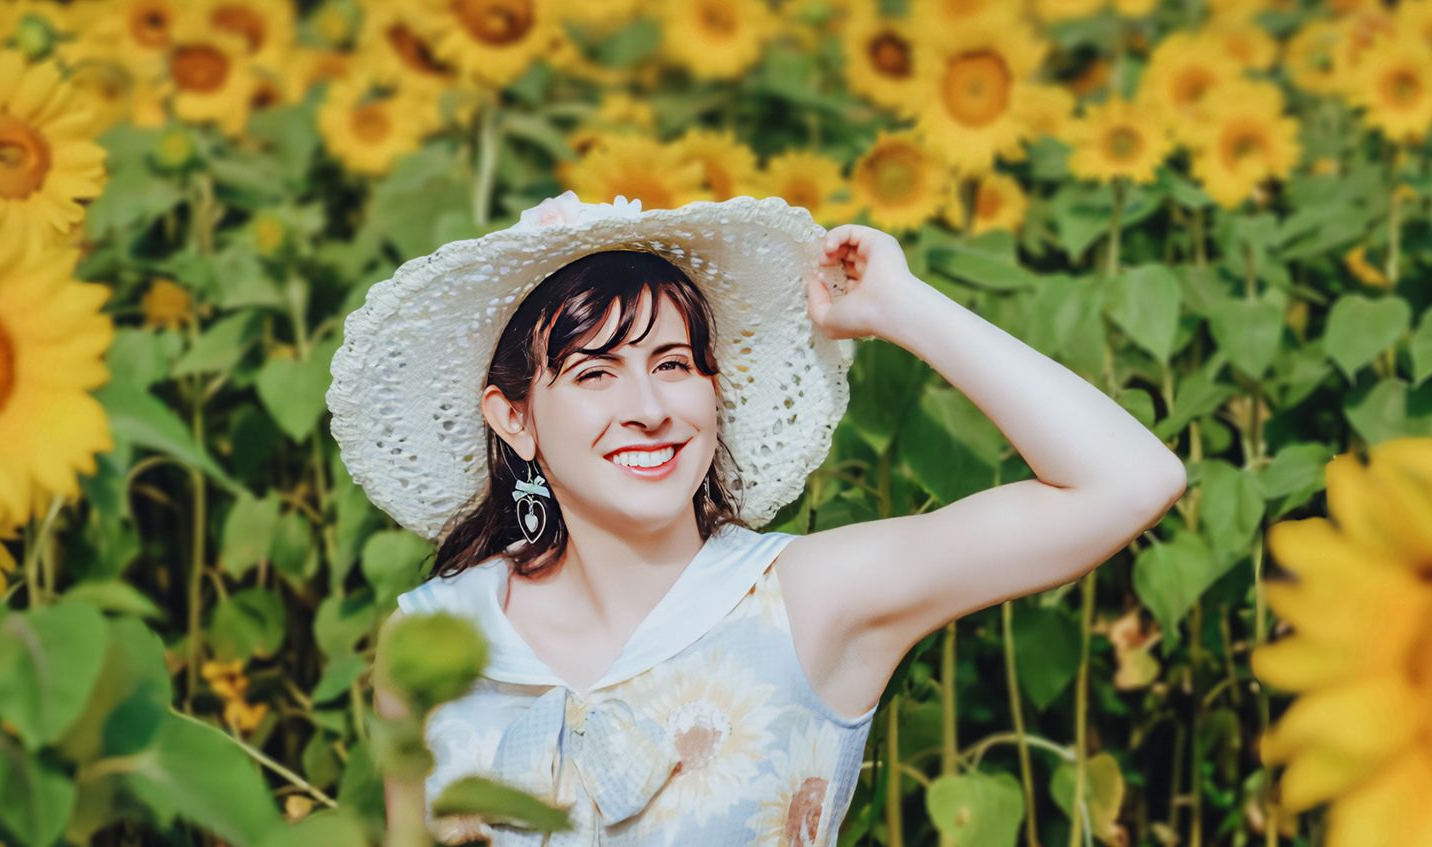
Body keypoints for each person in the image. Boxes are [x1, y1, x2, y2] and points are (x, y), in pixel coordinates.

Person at [327, 192, 1187, 845]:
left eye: (675, 363)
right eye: (594, 374)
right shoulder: (436, 639)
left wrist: (902, 308)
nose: (649, 407)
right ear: (514, 416)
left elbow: (1128, 481)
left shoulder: (803, 598)